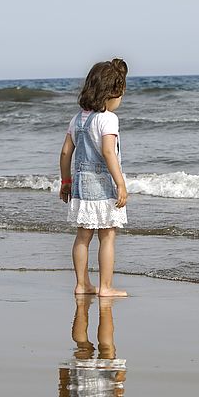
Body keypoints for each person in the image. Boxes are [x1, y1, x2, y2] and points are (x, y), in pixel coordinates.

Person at [59, 58, 129, 297]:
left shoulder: (78, 118)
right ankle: (106, 287)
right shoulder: (108, 118)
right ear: (113, 93)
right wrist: (120, 183)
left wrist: (66, 182)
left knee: (82, 235)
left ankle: (82, 284)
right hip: (101, 184)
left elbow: (66, 152)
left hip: (79, 184)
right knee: (107, 235)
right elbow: (109, 152)